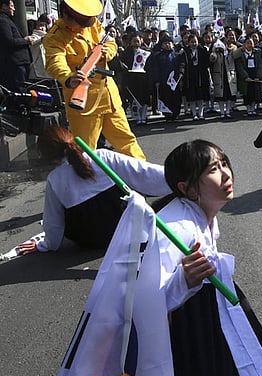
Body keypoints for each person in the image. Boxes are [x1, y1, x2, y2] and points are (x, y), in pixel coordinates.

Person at [153, 139, 262, 376]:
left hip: (208, 299)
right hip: (191, 323)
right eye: (212, 169)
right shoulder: (177, 229)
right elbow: (147, 302)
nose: (226, 173)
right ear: (187, 188)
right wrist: (183, 280)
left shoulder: (200, 211)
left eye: (224, 163)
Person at [15, 125, 169, 255]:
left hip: (91, 241)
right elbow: (145, 173)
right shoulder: (102, 156)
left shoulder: (54, 179)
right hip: (128, 231)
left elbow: (53, 223)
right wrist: (179, 179)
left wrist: (46, 245)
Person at [43, 0, 146, 160]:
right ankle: (84, 183)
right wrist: (68, 77)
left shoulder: (93, 24)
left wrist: (107, 52)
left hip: (110, 98)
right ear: (65, 15)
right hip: (84, 105)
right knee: (84, 152)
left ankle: (142, 177)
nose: (85, 26)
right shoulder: (55, 37)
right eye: (81, 21)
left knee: (127, 142)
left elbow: (111, 43)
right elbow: (54, 61)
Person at [0, 0, 34, 92]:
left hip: (20, 62)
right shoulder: (3, 21)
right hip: (16, 63)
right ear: (4, 6)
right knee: (19, 90)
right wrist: (25, 40)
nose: (14, 9)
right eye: (11, 6)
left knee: (22, 88)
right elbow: (9, 41)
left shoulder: (8, 20)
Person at [210, 30, 239, 119]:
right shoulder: (216, 49)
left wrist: (231, 50)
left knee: (229, 94)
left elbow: (236, 56)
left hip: (230, 73)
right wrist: (215, 50)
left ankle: (228, 111)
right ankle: (222, 112)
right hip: (220, 74)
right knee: (221, 95)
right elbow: (212, 58)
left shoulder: (234, 47)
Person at [235, 38, 262, 116]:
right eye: (248, 43)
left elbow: (260, 65)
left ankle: (253, 109)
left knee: (255, 93)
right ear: (244, 44)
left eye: (251, 43)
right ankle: (248, 109)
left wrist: (258, 76)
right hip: (246, 77)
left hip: (255, 75)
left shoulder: (257, 53)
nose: (250, 45)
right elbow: (239, 67)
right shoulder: (241, 54)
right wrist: (245, 77)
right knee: (247, 94)